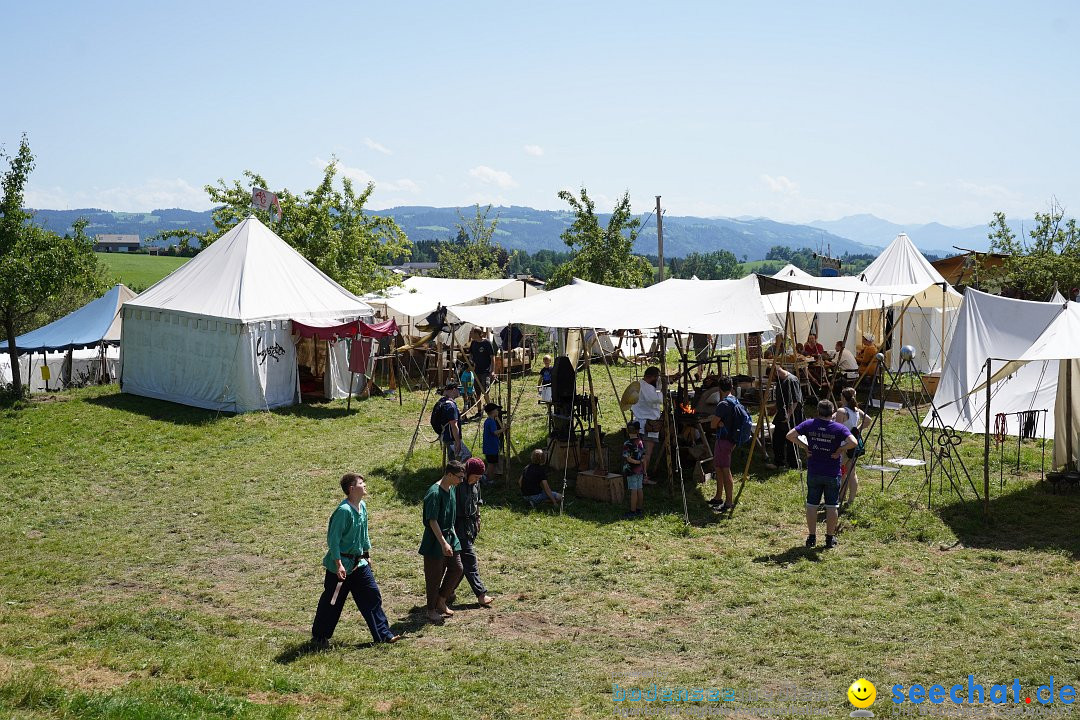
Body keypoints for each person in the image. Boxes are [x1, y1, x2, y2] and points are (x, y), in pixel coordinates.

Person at [311, 473, 399, 645]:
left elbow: (364, 533)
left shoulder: (363, 506)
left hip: (359, 564)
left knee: (372, 596)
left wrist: (366, 554)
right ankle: (320, 637)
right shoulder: (343, 512)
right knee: (333, 601)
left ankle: (383, 635)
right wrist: (338, 565)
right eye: (361, 483)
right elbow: (333, 540)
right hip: (341, 569)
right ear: (352, 489)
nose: (365, 484)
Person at [786, 400, 858, 549]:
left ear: (818, 411)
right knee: (832, 506)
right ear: (832, 413)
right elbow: (854, 442)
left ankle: (812, 537)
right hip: (832, 472)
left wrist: (805, 447)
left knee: (812, 505)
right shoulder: (838, 428)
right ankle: (829, 539)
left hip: (814, 471)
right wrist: (840, 450)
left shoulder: (809, 424)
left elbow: (790, 435)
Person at [419, 461, 465, 623]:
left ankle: (441, 599)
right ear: (449, 475)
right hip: (435, 540)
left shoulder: (452, 488)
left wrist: (451, 537)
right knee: (434, 576)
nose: (461, 480)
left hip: (450, 536)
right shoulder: (434, 493)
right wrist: (443, 543)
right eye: (459, 477)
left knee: (457, 568)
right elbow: (432, 521)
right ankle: (430, 609)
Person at [450, 457, 493, 607]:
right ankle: (481, 594)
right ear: (468, 473)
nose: (476, 480)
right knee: (470, 560)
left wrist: (478, 517)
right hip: (458, 528)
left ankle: (446, 592)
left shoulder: (476, 484)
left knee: (462, 565)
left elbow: (477, 502)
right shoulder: (457, 486)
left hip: (471, 526)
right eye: (475, 477)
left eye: (479, 477)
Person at [708, 376, 739, 511]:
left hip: (724, 440)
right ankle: (718, 496)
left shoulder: (723, 404)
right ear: (732, 387)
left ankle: (728, 502)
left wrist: (717, 422)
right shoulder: (735, 401)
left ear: (719, 388)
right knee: (719, 468)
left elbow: (713, 424)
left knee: (725, 470)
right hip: (731, 440)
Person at [835, 387, 871, 505]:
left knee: (840, 472)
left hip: (843, 445)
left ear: (843, 397)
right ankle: (850, 500)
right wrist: (857, 430)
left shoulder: (842, 411)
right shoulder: (856, 410)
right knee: (851, 473)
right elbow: (868, 420)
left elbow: (837, 430)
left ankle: (840, 497)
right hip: (853, 443)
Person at [630, 366, 664, 485]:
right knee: (646, 453)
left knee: (637, 452)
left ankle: (636, 475)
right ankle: (643, 477)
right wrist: (660, 388)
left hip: (638, 422)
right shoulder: (648, 388)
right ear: (653, 377)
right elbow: (658, 400)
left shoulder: (638, 385)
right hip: (648, 424)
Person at [769, 367, 804, 470]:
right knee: (777, 439)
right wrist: (775, 408)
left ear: (776, 373)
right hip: (783, 414)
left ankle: (793, 464)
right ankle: (779, 463)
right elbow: (782, 398)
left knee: (791, 440)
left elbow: (795, 401)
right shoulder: (781, 381)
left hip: (792, 416)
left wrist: (788, 415)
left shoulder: (791, 381)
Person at [434, 380, 466, 461]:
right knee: (461, 459)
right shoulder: (451, 406)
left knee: (452, 460)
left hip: (446, 435)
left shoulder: (443, 401)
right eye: (459, 390)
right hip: (452, 438)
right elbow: (454, 425)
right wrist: (458, 442)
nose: (460, 392)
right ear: (454, 389)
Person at [622, 420, 645, 519]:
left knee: (633, 491)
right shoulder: (640, 442)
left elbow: (628, 458)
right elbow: (643, 456)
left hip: (632, 471)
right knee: (640, 489)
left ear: (628, 431)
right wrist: (641, 464)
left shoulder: (627, 443)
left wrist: (637, 462)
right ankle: (639, 509)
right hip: (640, 470)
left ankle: (632, 511)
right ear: (638, 431)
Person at [468, 329, 495, 394]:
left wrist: (492, 371)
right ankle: (478, 404)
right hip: (476, 371)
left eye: (471, 333)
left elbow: (492, 357)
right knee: (477, 393)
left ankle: (487, 404)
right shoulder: (473, 343)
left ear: (477, 334)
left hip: (485, 371)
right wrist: (471, 362)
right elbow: (471, 355)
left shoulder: (487, 343)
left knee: (485, 392)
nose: (470, 335)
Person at [482, 402, 503, 481]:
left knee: (490, 463)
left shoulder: (487, 421)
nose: (498, 411)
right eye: (497, 410)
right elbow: (494, 432)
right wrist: (503, 429)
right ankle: (490, 479)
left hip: (489, 446)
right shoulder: (491, 421)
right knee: (491, 465)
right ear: (493, 411)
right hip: (491, 447)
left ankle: (484, 476)